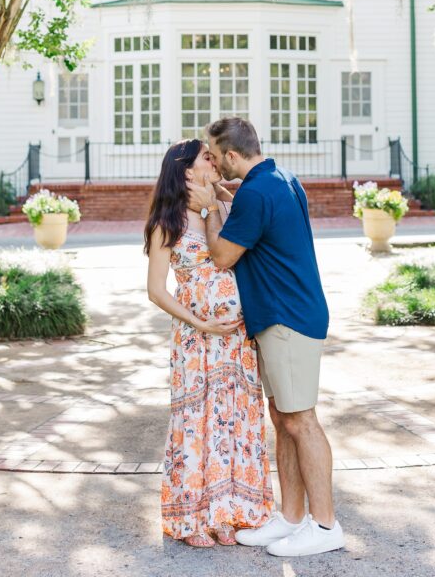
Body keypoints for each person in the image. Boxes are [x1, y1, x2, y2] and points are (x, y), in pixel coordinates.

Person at [187, 117, 345, 558]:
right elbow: (253, 209)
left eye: (216, 158)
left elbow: (221, 255)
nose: (214, 166)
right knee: (283, 417)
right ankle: (292, 518)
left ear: (233, 155)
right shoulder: (280, 178)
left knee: (301, 419)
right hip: (284, 316)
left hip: (287, 319)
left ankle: (326, 524)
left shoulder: (255, 192)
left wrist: (207, 208)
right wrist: (222, 196)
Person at [144, 138, 274, 548]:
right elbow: (156, 291)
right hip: (197, 342)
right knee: (198, 423)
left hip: (235, 340)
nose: (215, 161)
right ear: (184, 169)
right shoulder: (169, 220)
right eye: (206, 157)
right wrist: (201, 321)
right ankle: (194, 518)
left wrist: (215, 194)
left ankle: (228, 513)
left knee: (233, 420)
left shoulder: (224, 209)